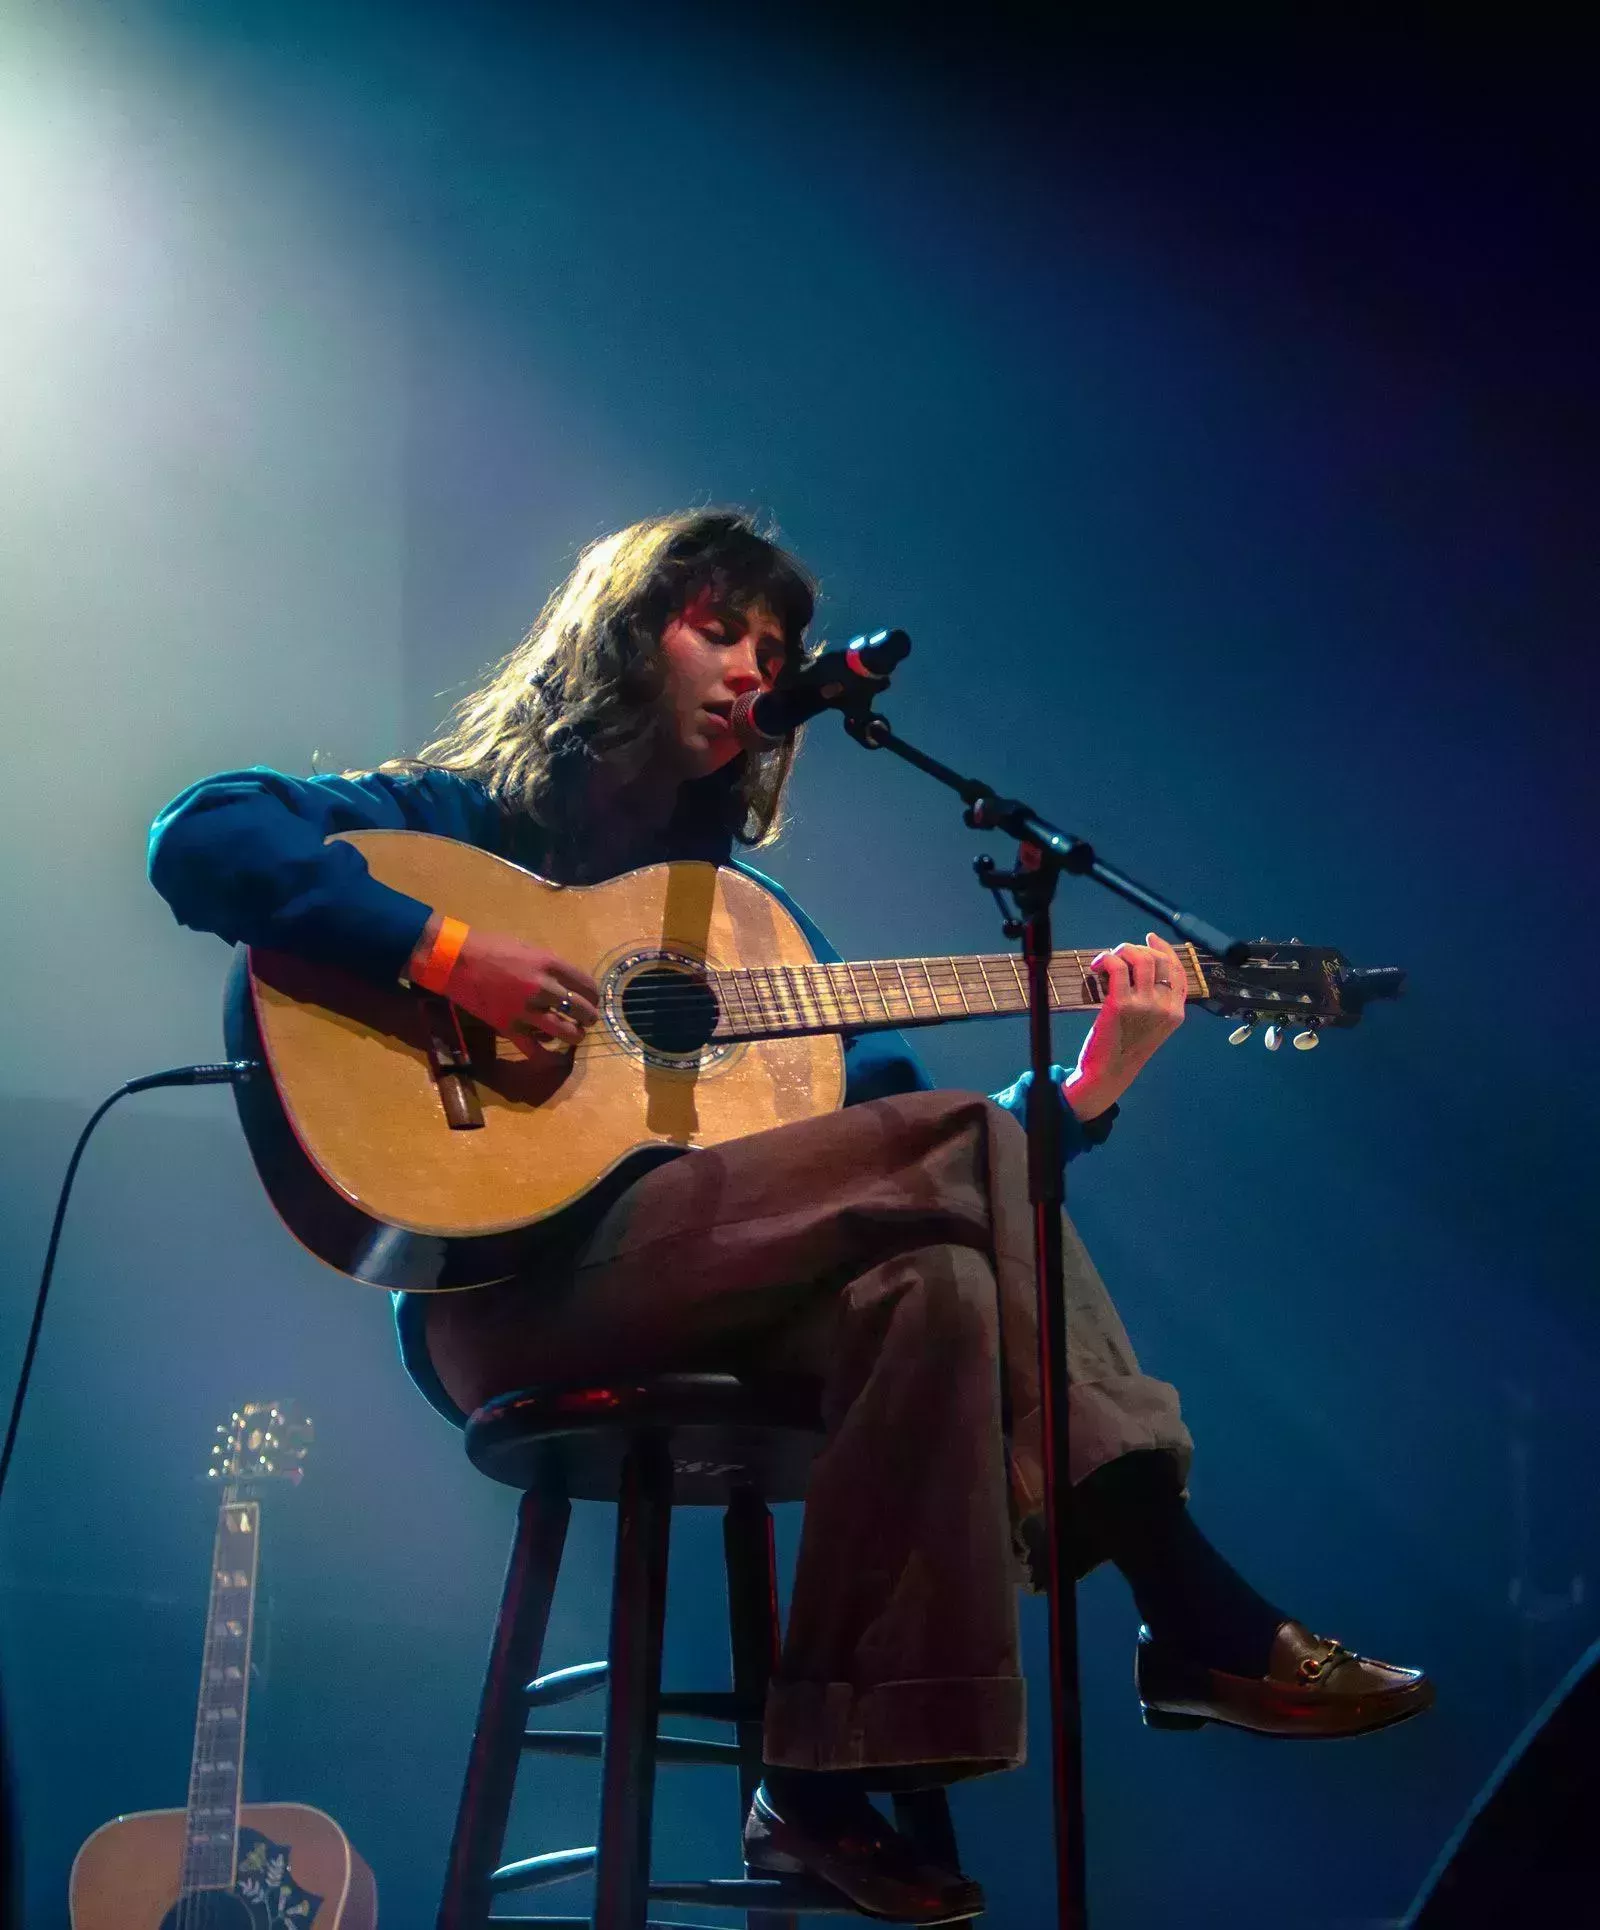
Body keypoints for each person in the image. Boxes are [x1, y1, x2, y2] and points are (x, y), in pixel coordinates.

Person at [148, 509, 1432, 1921]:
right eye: (721, 627)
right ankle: (1181, 1588)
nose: (758, 667)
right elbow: (202, 834)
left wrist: (1087, 1083)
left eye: (776, 648)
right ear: (628, 631)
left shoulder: (756, 933)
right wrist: (450, 953)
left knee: (938, 1283)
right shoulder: (466, 825)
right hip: (501, 1298)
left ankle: (817, 1781)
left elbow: (951, 1161)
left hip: (711, 1281)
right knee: (941, 1171)